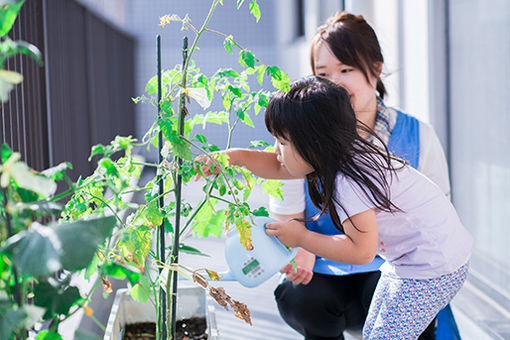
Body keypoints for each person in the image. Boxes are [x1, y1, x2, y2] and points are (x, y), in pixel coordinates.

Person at [196, 76, 472, 339]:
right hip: (415, 259)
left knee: (386, 335)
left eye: (282, 142)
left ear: (312, 145)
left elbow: (362, 251)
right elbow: (278, 165)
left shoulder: (349, 181)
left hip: (431, 266)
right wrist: (232, 158)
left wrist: (302, 238)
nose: (277, 152)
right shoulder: (335, 155)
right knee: (376, 333)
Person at [268, 11, 454, 340]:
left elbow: (438, 216)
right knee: (300, 298)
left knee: (409, 302)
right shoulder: (301, 138)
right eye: (322, 73)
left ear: (375, 68)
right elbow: (286, 216)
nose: (334, 82)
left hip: (392, 269)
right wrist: (301, 245)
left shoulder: (416, 135)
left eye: (346, 69)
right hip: (325, 276)